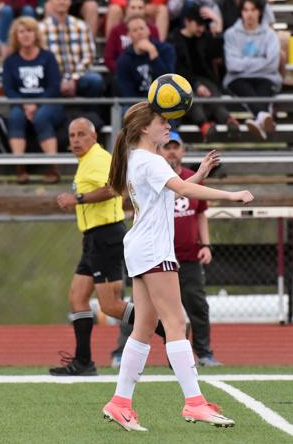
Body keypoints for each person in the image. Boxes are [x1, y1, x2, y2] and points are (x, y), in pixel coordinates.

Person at [102, 100, 253, 431]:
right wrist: (233, 195)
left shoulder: (142, 159)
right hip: (154, 249)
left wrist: (198, 173)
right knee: (176, 321)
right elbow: (181, 188)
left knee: (144, 327)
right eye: (162, 121)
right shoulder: (150, 161)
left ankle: (120, 402)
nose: (168, 126)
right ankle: (195, 402)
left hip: (141, 247)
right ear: (145, 128)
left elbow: (172, 191)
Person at [49, 117, 167, 376]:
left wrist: (77, 198)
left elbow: (115, 188)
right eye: (72, 135)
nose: (76, 140)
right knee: (77, 298)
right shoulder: (85, 162)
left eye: (81, 134)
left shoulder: (99, 158)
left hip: (106, 236)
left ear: (94, 137)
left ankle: (168, 330)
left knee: (111, 305)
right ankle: (83, 362)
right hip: (92, 238)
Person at [160, 131, 222, 366]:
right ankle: (174, 357)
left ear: (183, 151)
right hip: (163, 258)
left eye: (175, 147)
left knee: (197, 305)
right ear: (159, 151)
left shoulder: (192, 178)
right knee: (163, 310)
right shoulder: (158, 177)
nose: (171, 151)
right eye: (167, 147)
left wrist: (205, 245)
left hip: (189, 257)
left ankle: (204, 353)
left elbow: (200, 214)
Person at [3, 17, 66, 184]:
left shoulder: (48, 57)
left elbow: (54, 86)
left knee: (42, 116)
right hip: (21, 104)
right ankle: (20, 167)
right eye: (21, 31)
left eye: (29, 30)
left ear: (36, 34)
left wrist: (36, 104)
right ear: (16, 36)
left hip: (48, 104)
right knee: (15, 117)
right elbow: (9, 89)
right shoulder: (11, 61)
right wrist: (25, 104)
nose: (26, 35)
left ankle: (53, 167)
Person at [169, 4, 239, 141]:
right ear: (187, 22)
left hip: (205, 80)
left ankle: (229, 121)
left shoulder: (205, 37)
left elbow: (217, 56)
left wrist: (218, 27)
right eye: (198, 24)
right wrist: (196, 85)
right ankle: (205, 125)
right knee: (191, 97)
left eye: (204, 25)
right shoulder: (174, 40)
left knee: (212, 95)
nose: (202, 28)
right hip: (182, 82)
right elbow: (179, 69)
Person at [39, 0, 105, 128]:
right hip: (53, 80)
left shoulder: (81, 26)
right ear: (50, 2)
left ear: (70, 2)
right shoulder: (41, 29)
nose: (61, 2)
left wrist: (73, 78)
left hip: (78, 77)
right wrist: (60, 80)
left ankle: (93, 122)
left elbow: (89, 56)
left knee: (96, 80)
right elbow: (41, 60)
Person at [223, 0, 282, 140]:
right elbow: (232, 65)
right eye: (246, 10)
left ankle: (259, 120)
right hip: (238, 79)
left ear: (260, 12)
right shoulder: (231, 34)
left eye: (253, 9)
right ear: (241, 12)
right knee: (245, 88)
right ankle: (263, 116)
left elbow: (272, 64)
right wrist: (260, 61)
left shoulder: (270, 35)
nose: (249, 14)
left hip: (265, 77)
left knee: (263, 88)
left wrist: (244, 62)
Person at [116, 15, 175, 100]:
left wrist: (153, 54)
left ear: (148, 30)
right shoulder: (124, 59)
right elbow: (127, 92)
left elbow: (168, 82)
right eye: (135, 30)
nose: (139, 32)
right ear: (129, 35)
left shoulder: (165, 50)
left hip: (163, 100)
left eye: (142, 28)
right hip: (136, 104)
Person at [104, 0, 160, 74]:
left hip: (148, 73)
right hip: (123, 74)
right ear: (126, 9)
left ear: (144, 10)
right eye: (133, 8)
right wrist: (123, 71)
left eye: (140, 8)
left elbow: (158, 53)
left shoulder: (153, 29)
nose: (136, 11)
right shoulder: (116, 30)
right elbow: (109, 58)